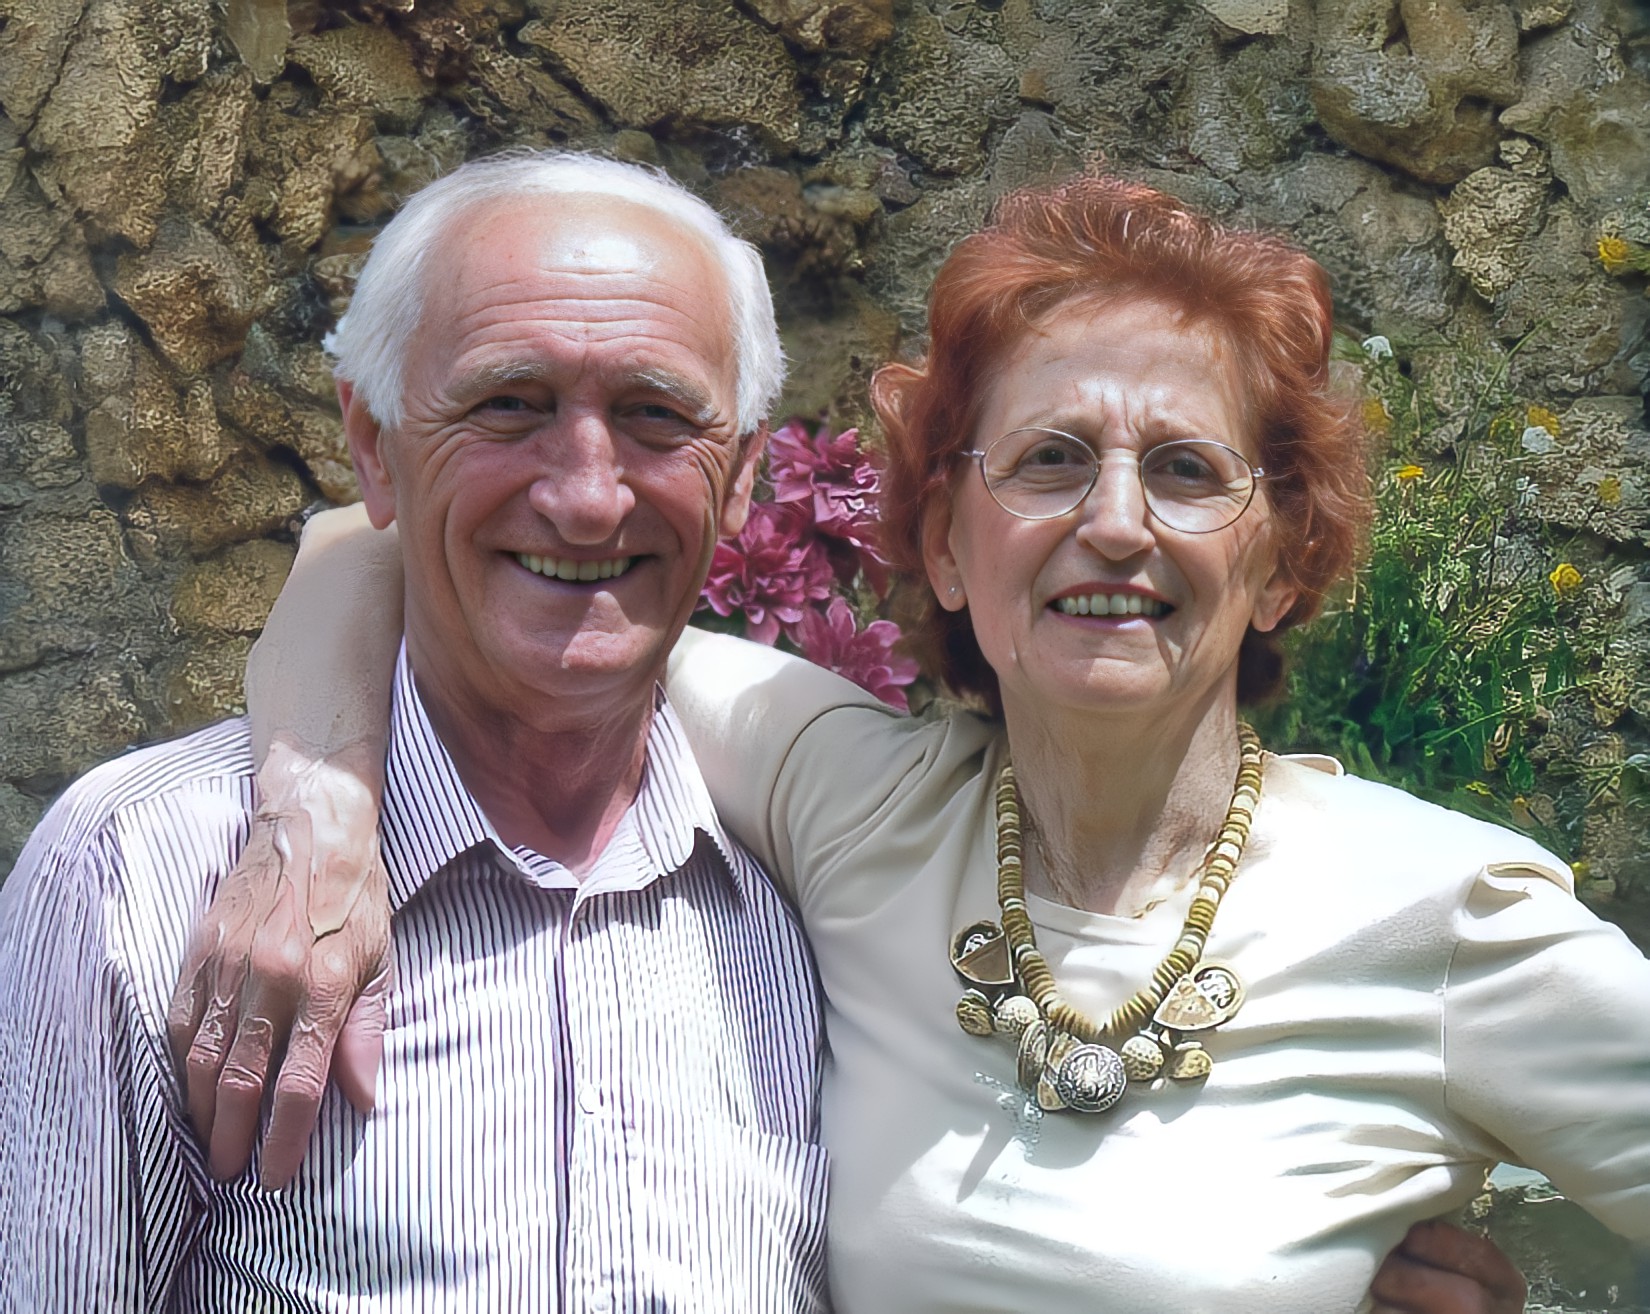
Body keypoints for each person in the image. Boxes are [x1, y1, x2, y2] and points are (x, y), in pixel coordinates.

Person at [166, 172, 1608, 1312]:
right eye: (1049, 459)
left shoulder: (1441, 919)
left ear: (1281, 558)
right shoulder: (851, 798)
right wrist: (318, 809)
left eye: (1185, 469)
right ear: (944, 542)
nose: (1115, 522)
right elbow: (391, 542)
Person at [0, 152, 830, 1310]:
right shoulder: (147, 877)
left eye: (656, 414)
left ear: (741, 472)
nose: (587, 496)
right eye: (509, 404)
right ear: (373, 444)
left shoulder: (822, 905)